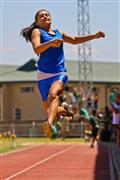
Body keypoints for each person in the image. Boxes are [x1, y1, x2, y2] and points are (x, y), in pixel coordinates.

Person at [20, 9, 105, 138]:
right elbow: (37, 49)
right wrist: (51, 43)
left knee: (53, 95)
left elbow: (74, 40)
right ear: (37, 22)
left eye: (47, 15)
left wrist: (94, 36)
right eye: (41, 16)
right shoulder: (37, 32)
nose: (45, 16)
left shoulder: (59, 33)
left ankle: (48, 124)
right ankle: (64, 109)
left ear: (51, 18)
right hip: (43, 75)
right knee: (51, 110)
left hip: (59, 73)